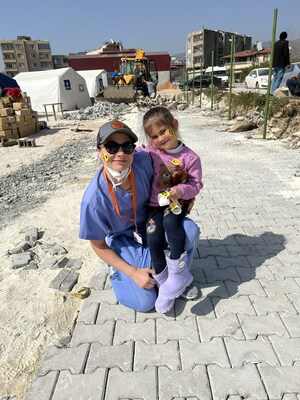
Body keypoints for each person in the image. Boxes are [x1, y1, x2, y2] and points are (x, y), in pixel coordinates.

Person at [79, 120, 200, 313]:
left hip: (153, 224)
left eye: (127, 147)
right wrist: (133, 272)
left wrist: (184, 194)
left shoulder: (143, 161)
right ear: (99, 152)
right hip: (124, 239)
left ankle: (178, 278)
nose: (120, 153)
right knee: (145, 303)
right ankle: (119, 269)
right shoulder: (93, 200)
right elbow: (98, 245)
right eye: (111, 147)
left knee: (190, 231)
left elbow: (173, 151)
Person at [141, 107, 203, 313]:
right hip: (154, 205)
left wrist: (178, 191)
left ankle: (178, 274)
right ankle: (163, 280)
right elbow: (139, 155)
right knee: (153, 236)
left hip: (176, 205)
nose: (160, 138)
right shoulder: (152, 151)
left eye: (164, 131)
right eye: (154, 136)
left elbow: (196, 184)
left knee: (170, 223)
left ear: (174, 125)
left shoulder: (190, 158)